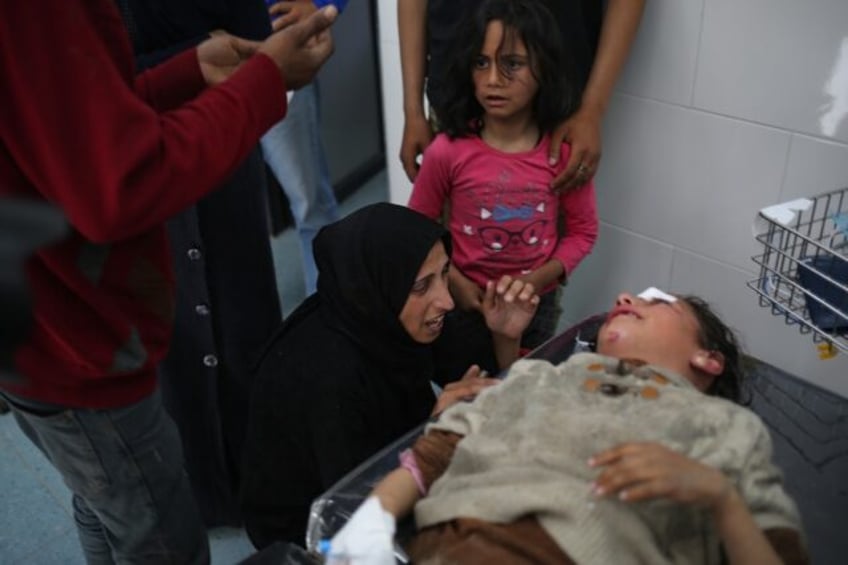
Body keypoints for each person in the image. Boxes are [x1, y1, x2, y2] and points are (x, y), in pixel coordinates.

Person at [0, 2, 337, 562]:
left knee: (103, 500)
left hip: (40, 330)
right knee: (154, 531)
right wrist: (262, 84)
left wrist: (185, 73)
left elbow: (70, 130)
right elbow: (121, 183)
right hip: (75, 347)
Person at [329, 290, 809, 565]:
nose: (625, 297)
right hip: (443, 547)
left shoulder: (723, 427)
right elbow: (438, 450)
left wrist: (720, 497)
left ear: (708, 358)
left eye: (658, 302)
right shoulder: (540, 376)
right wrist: (373, 519)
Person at [240, 202, 540, 549]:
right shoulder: (327, 379)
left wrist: (506, 335)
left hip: (384, 475)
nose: (446, 300)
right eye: (421, 286)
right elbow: (352, 513)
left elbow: (485, 384)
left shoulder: (391, 312)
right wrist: (433, 432)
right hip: (313, 533)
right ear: (380, 286)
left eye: (445, 273)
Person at [117, 0, 286, 528]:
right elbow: (94, 93)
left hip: (218, 136)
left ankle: (256, 480)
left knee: (244, 313)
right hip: (136, 156)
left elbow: (253, 35)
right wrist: (192, 55)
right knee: (173, 332)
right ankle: (201, 491)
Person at [408, 0, 599, 352]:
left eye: (512, 64)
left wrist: (536, 282)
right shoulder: (446, 151)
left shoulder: (563, 155)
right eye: (481, 63)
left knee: (523, 388)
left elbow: (583, 232)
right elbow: (416, 229)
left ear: (545, 67)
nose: (493, 80)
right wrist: (455, 281)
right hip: (461, 304)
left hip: (535, 308)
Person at [398, 0, 645, 190]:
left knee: (539, 243)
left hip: (552, 108)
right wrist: (412, 111)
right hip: (455, 99)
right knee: (444, 241)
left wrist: (592, 110)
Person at [262, 0, 340, 295]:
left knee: (310, 205)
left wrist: (322, 5)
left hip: (278, 54)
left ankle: (330, 319)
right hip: (195, 63)